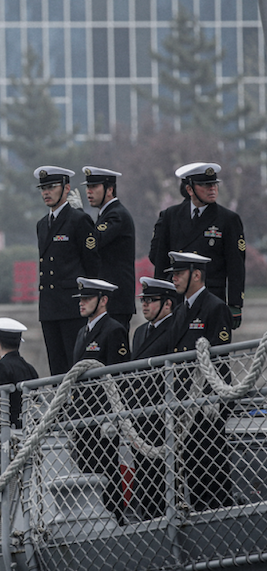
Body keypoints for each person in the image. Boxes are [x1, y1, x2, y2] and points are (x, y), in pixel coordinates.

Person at [167, 251, 233, 511]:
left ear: (196, 275)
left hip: (206, 407)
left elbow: (218, 359)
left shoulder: (214, 307)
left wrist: (210, 402)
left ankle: (221, 523)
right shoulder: (182, 310)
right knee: (192, 472)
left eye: (179, 274)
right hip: (184, 406)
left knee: (212, 472)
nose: (174, 279)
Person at [149, 162, 245, 330]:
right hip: (176, 299)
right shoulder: (170, 216)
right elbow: (158, 259)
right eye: (205, 185)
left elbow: (236, 266)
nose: (212, 189)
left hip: (211, 298)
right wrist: (159, 297)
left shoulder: (228, 219)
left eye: (214, 184)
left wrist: (235, 304)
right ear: (190, 190)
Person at [70, 278, 131, 525]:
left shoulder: (113, 330)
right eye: (81, 299)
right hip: (83, 415)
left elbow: (119, 377)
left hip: (103, 417)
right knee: (86, 467)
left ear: (103, 300)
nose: (82, 303)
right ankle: (92, 518)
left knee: (106, 468)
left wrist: (112, 416)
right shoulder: (82, 332)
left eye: (87, 298)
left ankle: (116, 516)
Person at [34, 166, 100, 376]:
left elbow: (92, 265)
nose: (46, 192)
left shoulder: (78, 220)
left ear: (66, 188)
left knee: (76, 366)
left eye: (52, 187)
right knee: (56, 368)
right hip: (49, 306)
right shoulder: (42, 224)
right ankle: (61, 409)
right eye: (43, 188)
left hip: (72, 305)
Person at [129, 277, 177, 520]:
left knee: (163, 475)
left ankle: (161, 519)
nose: (144, 305)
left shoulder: (175, 329)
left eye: (150, 301)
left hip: (162, 415)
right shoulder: (139, 333)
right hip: (140, 416)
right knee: (143, 474)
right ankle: (147, 519)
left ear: (167, 304)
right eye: (143, 300)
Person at [82, 166, 136, 332]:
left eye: (94, 187)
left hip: (116, 300)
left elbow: (93, 242)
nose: (89, 192)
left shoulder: (116, 214)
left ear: (110, 189)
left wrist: (79, 216)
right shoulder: (106, 214)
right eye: (88, 187)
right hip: (108, 298)